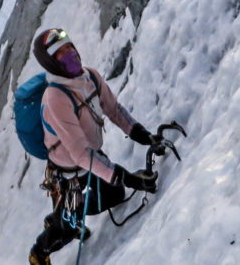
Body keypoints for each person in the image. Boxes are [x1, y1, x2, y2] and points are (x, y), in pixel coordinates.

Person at [28, 28, 161, 265]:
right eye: (61, 53)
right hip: (69, 173)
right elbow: (79, 154)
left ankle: (62, 217)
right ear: (51, 63)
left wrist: (144, 136)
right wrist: (129, 178)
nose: (71, 55)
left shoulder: (90, 77)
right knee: (68, 231)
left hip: (92, 158)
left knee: (115, 194)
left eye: (70, 47)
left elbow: (114, 110)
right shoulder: (55, 98)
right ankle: (40, 252)